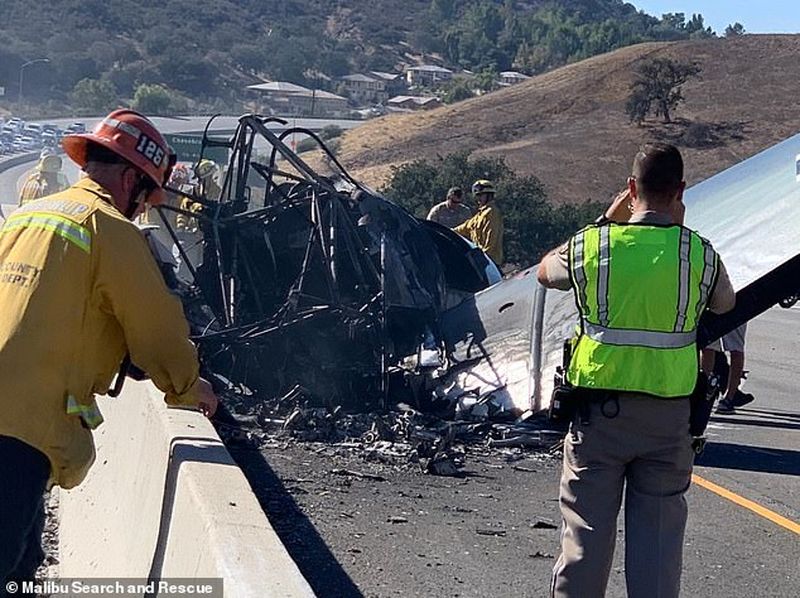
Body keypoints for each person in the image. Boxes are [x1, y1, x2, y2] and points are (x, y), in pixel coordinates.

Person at [0, 109, 219, 590]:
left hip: (13, 413)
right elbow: (156, 329)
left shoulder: (27, 216)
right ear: (129, 178)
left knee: (22, 561)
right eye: (145, 197)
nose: (142, 210)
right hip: (20, 427)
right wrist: (187, 386)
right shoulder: (110, 229)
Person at [537, 143, 735, 598]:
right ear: (680, 190)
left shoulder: (595, 244)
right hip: (669, 420)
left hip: (599, 417)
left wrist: (607, 221)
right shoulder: (698, 254)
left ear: (631, 189)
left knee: (585, 537)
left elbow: (544, 272)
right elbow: (726, 303)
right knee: (659, 546)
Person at [701, 323, 753, 413]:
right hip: (712, 310)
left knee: (736, 347)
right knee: (708, 345)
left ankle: (729, 397)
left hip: (737, 310)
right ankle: (704, 393)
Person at [453, 179, 504, 265]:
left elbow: (490, 240)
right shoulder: (479, 215)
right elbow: (464, 228)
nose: (478, 198)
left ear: (489, 195)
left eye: (481, 195)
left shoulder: (492, 213)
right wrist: (446, 231)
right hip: (480, 261)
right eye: (477, 195)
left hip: (489, 263)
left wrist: (483, 258)